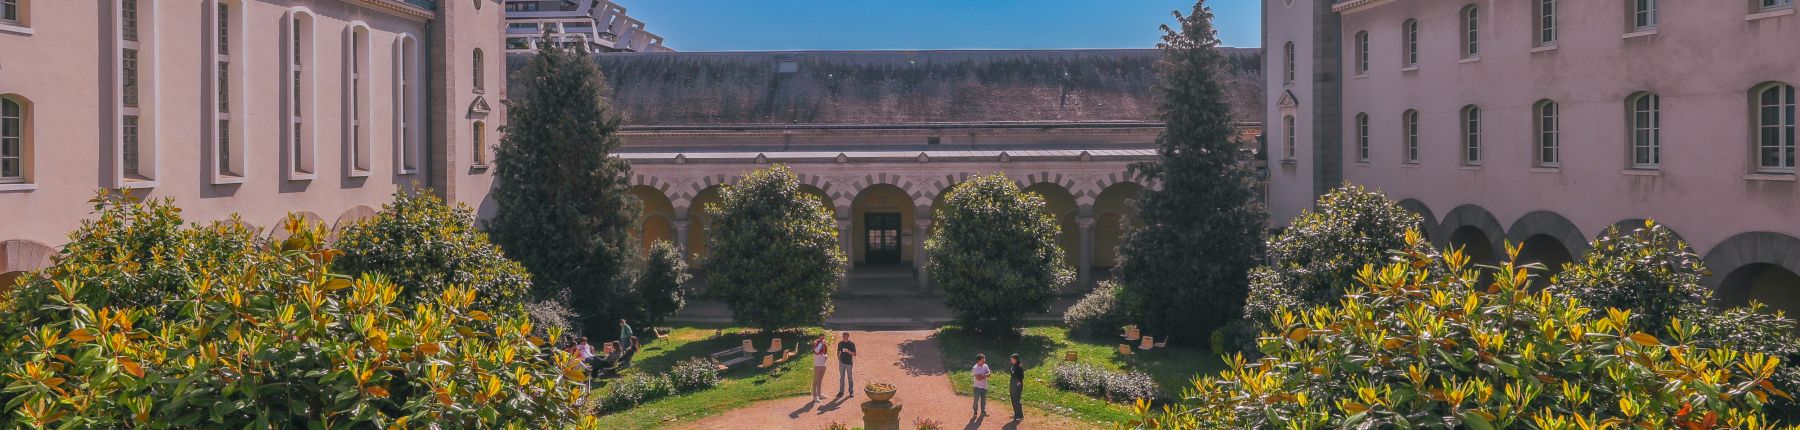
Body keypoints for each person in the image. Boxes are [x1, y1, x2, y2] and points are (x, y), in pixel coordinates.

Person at [836, 332, 858, 398]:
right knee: (841, 378)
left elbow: (854, 354)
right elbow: (838, 352)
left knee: (850, 377)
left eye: (845, 336)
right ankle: (841, 391)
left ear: (848, 337)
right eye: (843, 336)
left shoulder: (851, 344)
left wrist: (848, 351)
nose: (844, 338)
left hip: (849, 363)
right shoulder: (840, 343)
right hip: (842, 363)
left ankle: (851, 392)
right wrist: (839, 359)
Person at [810, 334, 829, 401]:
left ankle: (819, 394)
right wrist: (821, 343)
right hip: (817, 364)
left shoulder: (824, 345)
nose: (823, 339)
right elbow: (816, 351)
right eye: (821, 338)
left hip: (823, 364)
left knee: (820, 380)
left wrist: (826, 355)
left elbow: (825, 353)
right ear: (819, 337)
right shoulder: (815, 343)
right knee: (816, 380)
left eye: (823, 338)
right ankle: (814, 396)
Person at [1009, 353, 1025, 421]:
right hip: (1012, 384)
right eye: (1011, 359)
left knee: (1016, 400)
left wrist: (1018, 383)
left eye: (1013, 359)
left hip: (1017, 385)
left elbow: (1021, 377)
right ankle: (1016, 414)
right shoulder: (1013, 366)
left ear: (1016, 360)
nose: (1011, 360)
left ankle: (1020, 415)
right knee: (1013, 399)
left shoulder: (1019, 367)